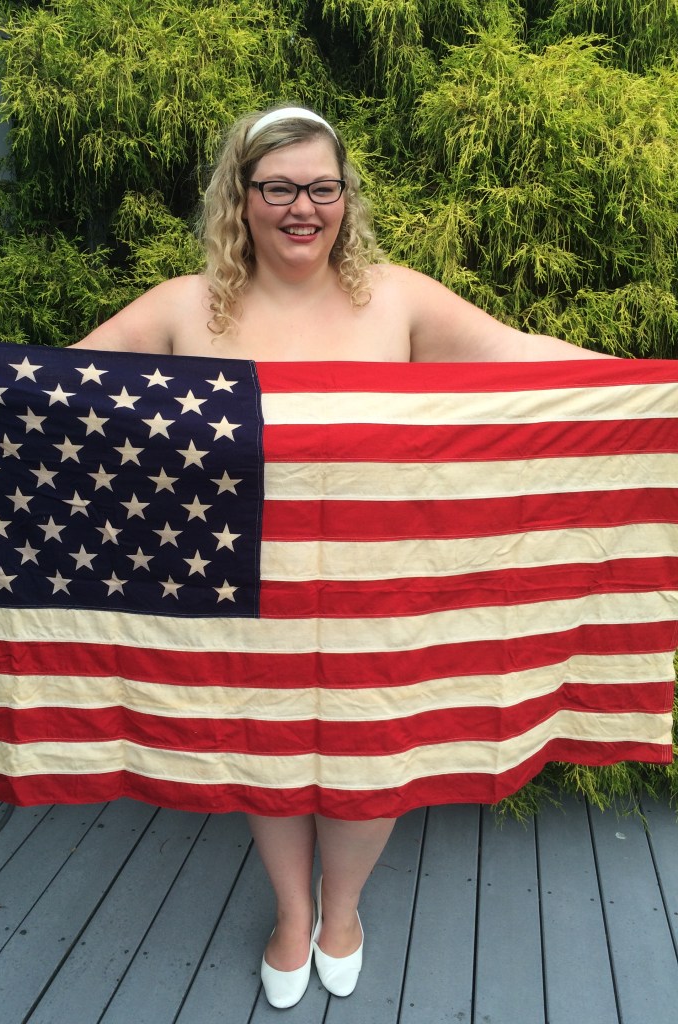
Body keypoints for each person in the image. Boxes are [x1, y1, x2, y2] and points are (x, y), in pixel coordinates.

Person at [74, 105, 611, 1009]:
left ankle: (342, 910)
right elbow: (55, 390)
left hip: (382, 588)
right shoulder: (183, 306)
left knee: (372, 757)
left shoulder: (396, 298)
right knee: (271, 751)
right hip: (246, 587)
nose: (303, 208)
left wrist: (646, 388)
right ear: (240, 196)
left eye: (323, 188)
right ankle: (293, 913)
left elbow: (520, 357)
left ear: (345, 197)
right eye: (279, 188)